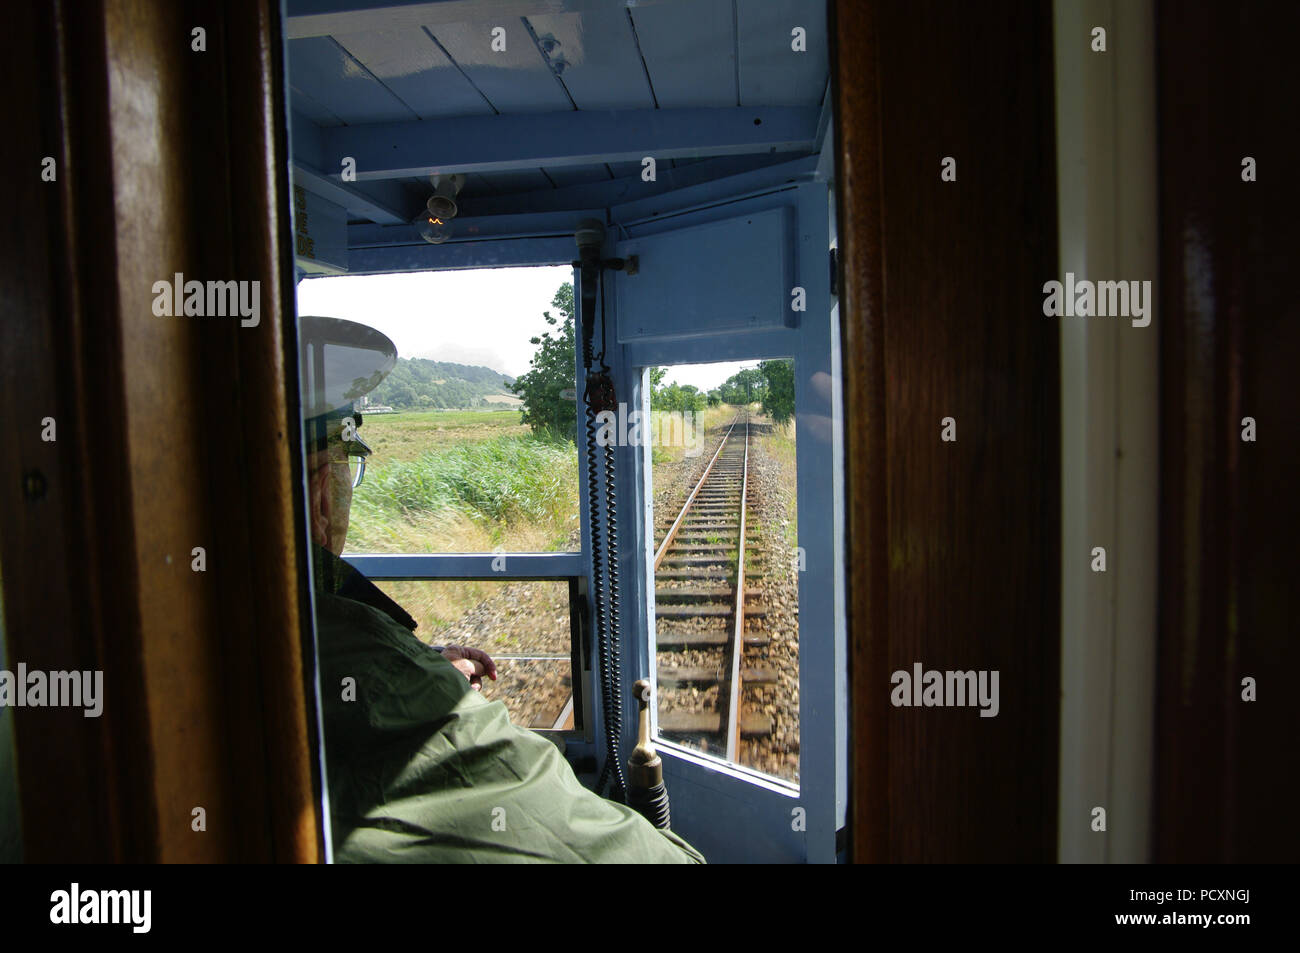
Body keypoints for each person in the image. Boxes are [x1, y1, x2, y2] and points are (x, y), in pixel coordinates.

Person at [300, 316, 703, 864]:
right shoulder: (354, 646)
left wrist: (427, 664)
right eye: (347, 465)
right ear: (322, 492)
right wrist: (414, 679)